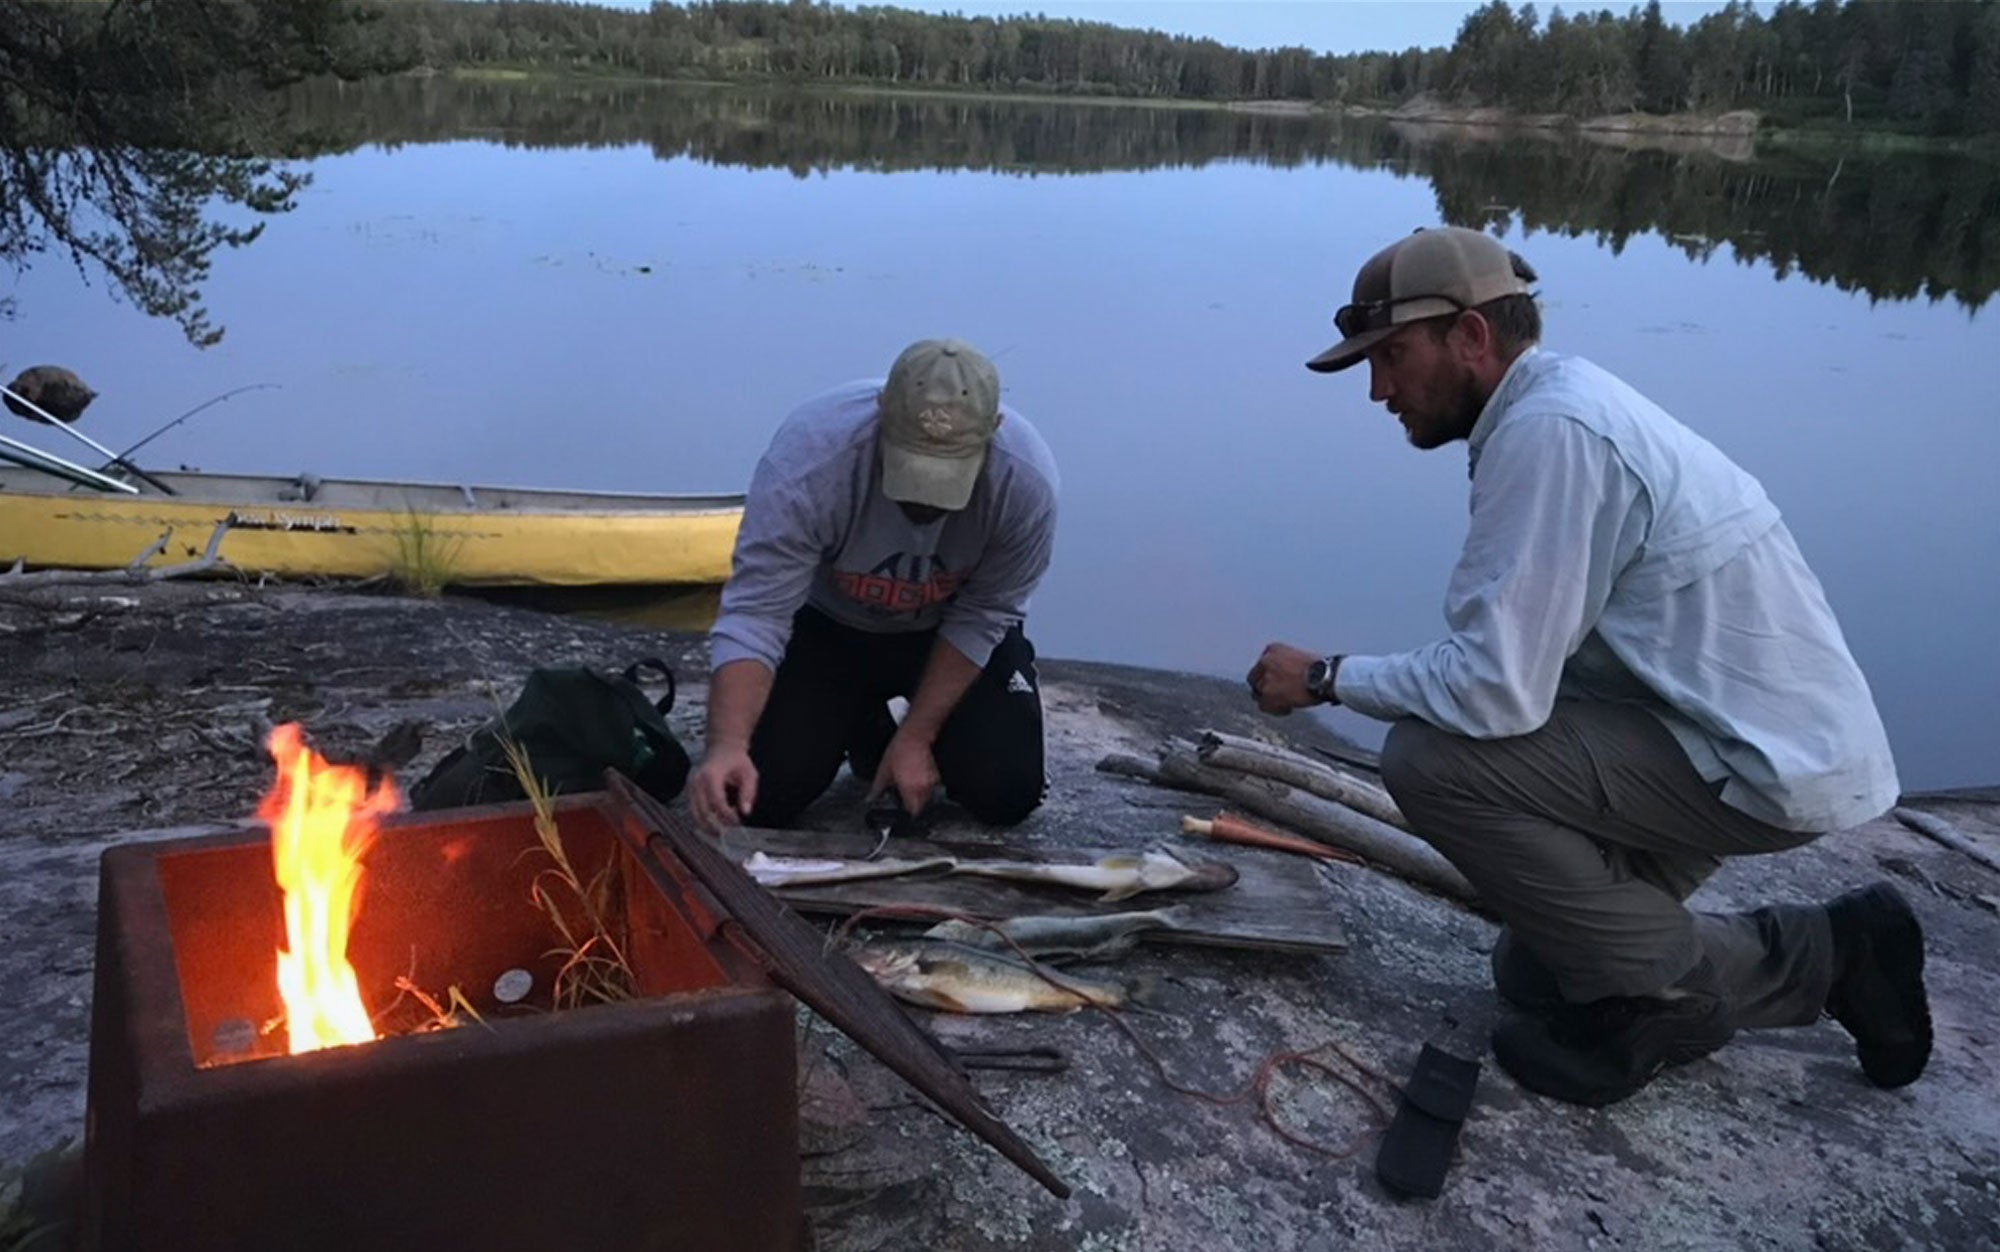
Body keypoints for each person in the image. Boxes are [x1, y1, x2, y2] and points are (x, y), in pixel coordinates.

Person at [1245, 226, 1929, 1107]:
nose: (1379, 389)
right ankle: (1831, 954)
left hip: (1757, 757)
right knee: (1537, 967)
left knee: (1429, 760)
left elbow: (1494, 690)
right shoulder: (1553, 409)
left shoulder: (1553, 435)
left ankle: (1660, 1000)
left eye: (1392, 356)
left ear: (1471, 337)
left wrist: (1328, 678)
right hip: (1722, 731)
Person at [690, 338, 1058, 835]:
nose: (923, 504)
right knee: (757, 798)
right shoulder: (811, 459)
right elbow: (758, 611)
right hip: (829, 625)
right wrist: (726, 745)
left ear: (993, 432)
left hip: (944, 629)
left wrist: (917, 735)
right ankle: (860, 719)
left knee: (1007, 792)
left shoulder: (1026, 482)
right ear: (880, 412)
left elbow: (986, 612)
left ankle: (895, 733)